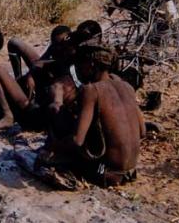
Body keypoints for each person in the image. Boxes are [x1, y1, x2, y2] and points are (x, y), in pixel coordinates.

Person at [35, 40, 146, 188]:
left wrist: (55, 147)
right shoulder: (127, 87)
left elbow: (77, 141)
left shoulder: (92, 90)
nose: (80, 70)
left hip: (105, 174)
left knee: (57, 112)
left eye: (81, 65)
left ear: (91, 65)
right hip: (130, 172)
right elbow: (143, 132)